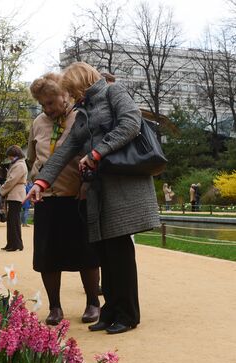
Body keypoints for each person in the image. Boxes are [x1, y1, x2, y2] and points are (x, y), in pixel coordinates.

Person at [26, 62, 160, 334]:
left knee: (120, 252)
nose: (71, 96)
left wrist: (97, 152)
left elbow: (131, 123)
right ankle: (109, 311)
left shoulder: (114, 93)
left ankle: (127, 314)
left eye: (72, 90)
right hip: (99, 190)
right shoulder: (84, 111)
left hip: (121, 186)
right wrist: (41, 181)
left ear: (80, 81)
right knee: (105, 253)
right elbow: (67, 151)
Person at [27, 73, 101, 326]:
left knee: (86, 253)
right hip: (47, 198)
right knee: (48, 256)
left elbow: (94, 153)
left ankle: (93, 302)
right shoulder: (38, 122)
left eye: (51, 102)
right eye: (42, 104)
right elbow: (32, 157)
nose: (47, 109)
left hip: (76, 195)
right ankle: (55, 307)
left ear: (65, 95)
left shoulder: (81, 117)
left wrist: (87, 184)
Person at [0, 145, 28, 252]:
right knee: (11, 220)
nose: (10, 158)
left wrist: (2, 190)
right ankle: (11, 243)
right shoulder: (17, 164)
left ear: (16, 155)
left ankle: (17, 244)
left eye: (11, 156)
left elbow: (11, 180)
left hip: (16, 194)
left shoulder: (19, 165)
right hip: (14, 194)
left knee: (14, 220)